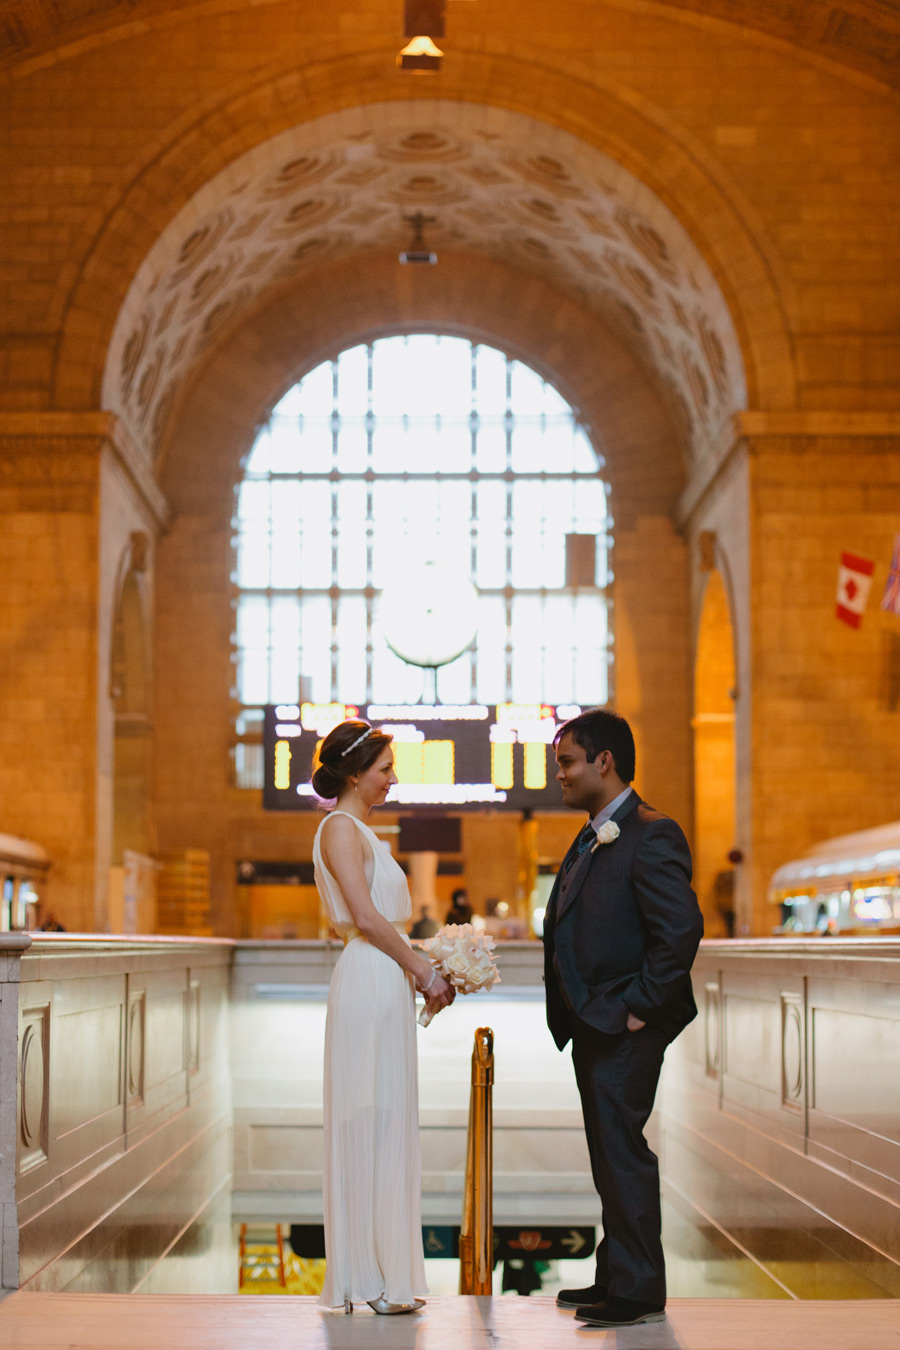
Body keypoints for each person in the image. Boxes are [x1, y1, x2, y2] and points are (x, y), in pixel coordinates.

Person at [543, 707, 703, 1330]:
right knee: (608, 1151)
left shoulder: (649, 832)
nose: (559, 776)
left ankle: (637, 1289)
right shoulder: (595, 830)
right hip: (596, 1020)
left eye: (566, 763)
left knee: (623, 1151)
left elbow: (679, 931)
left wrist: (640, 1008)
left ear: (603, 762)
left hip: (623, 1020)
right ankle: (617, 1270)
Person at [312, 720, 455, 1316]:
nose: (393, 778)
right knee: (369, 1115)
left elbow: (380, 925)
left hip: (381, 973)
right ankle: (364, 1279)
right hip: (370, 976)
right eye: (385, 769)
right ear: (354, 774)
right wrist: (422, 970)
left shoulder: (361, 831)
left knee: (386, 1113)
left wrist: (423, 964)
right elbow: (368, 919)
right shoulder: (341, 828)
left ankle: (379, 1274)